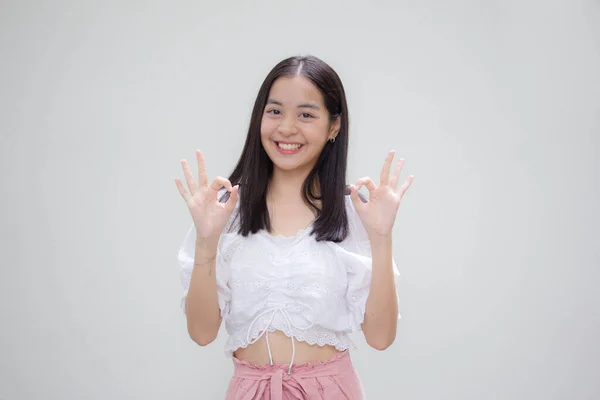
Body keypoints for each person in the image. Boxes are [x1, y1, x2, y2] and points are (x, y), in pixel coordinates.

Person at [174, 55, 414, 399]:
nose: (286, 128)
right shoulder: (225, 213)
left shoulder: (355, 214)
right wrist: (205, 241)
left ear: (333, 127)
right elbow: (201, 332)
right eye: (274, 112)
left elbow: (380, 337)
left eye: (306, 114)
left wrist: (381, 237)